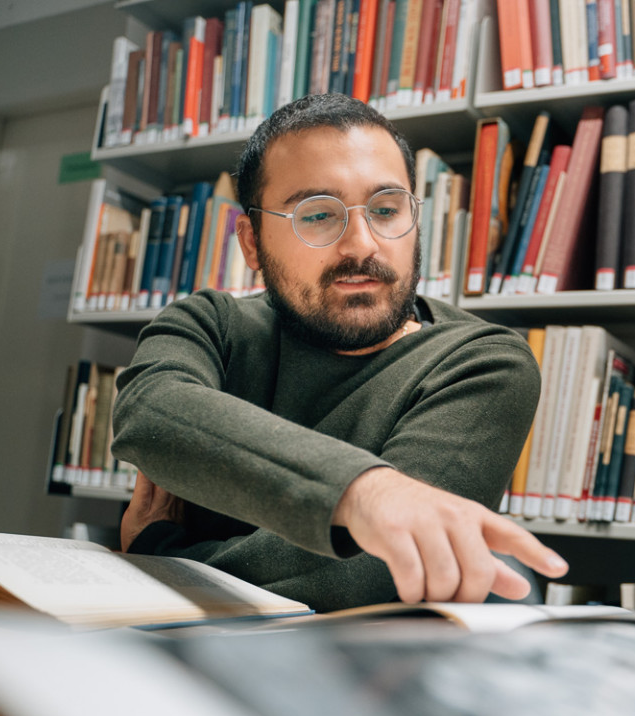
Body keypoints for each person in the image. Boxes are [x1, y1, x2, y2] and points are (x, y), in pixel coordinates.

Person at [111, 93, 567, 612]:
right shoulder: (210, 325)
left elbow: (362, 578)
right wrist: (367, 496)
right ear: (252, 242)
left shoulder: (482, 362)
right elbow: (148, 414)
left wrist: (159, 554)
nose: (362, 244)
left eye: (387, 209)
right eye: (319, 215)